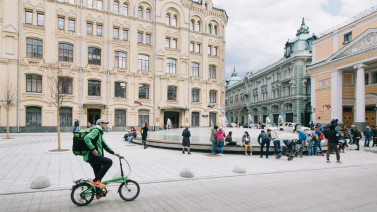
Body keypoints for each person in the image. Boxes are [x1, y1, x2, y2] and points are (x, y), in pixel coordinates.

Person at [84, 119, 119, 198]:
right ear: (101, 123)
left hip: (94, 157)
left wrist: (113, 152)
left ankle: (98, 193)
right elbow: (86, 138)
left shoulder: (99, 132)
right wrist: (93, 149)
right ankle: (96, 181)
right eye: (105, 123)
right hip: (92, 156)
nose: (106, 125)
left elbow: (104, 145)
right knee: (109, 162)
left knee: (98, 175)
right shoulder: (96, 130)